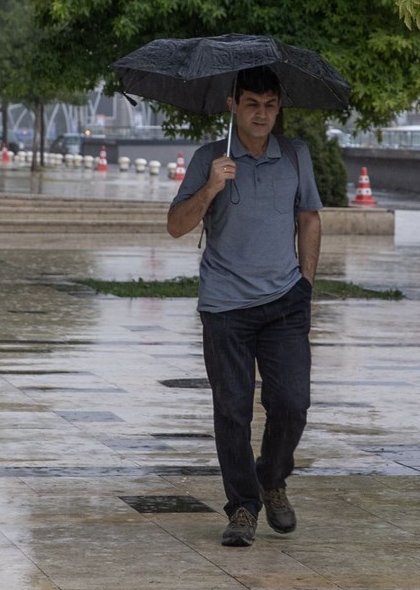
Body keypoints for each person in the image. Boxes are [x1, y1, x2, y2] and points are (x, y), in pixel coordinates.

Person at [166, 65, 322, 547]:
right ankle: (242, 507)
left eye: (270, 105)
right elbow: (175, 225)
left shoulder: (296, 155)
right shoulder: (209, 157)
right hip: (225, 307)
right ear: (233, 104)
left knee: (292, 404)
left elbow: (310, 219)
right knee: (232, 409)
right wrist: (211, 186)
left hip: (284, 303)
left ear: (279, 108)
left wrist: (306, 284)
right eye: (252, 103)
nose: (262, 114)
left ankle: (271, 477)